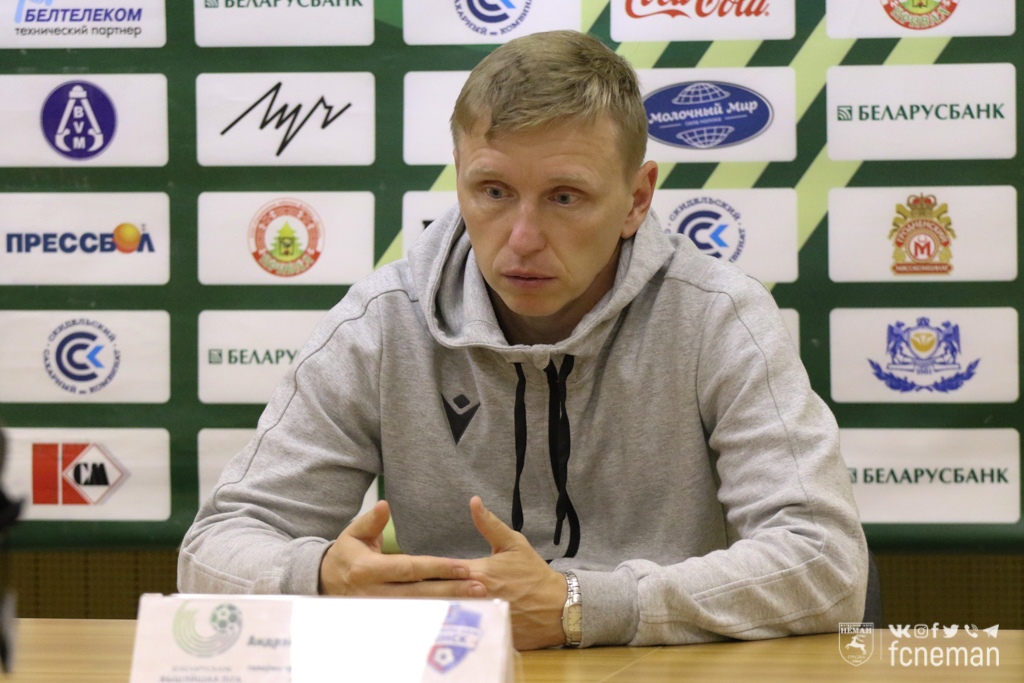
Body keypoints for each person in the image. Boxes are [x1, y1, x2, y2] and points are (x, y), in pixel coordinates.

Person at [179, 30, 868, 650]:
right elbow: (213, 549)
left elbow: (826, 563)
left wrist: (583, 605)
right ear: (459, 177)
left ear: (636, 199)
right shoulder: (383, 324)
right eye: (493, 191)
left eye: (565, 197)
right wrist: (321, 576)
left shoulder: (719, 317)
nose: (523, 237)